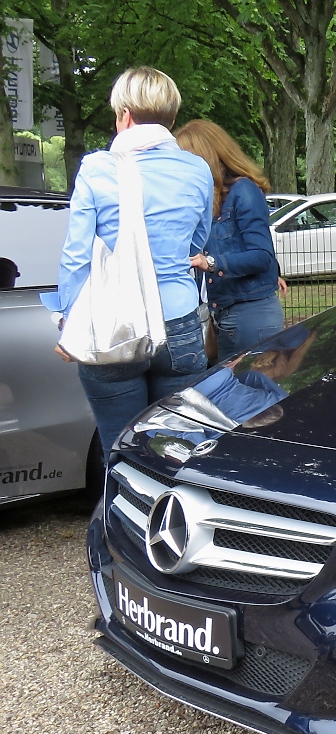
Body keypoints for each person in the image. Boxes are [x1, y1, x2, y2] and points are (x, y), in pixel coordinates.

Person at [41, 67, 214, 453]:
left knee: (120, 450)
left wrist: (68, 319)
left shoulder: (97, 168)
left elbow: (76, 256)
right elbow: (197, 243)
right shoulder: (197, 170)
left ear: (125, 115)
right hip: (180, 324)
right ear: (171, 119)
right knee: (175, 453)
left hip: (115, 324)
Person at [174, 119, 285, 360]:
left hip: (249, 318)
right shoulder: (212, 199)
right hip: (224, 316)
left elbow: (262, 256)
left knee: (250, 385)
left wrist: (210, 263)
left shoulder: (244, 191)